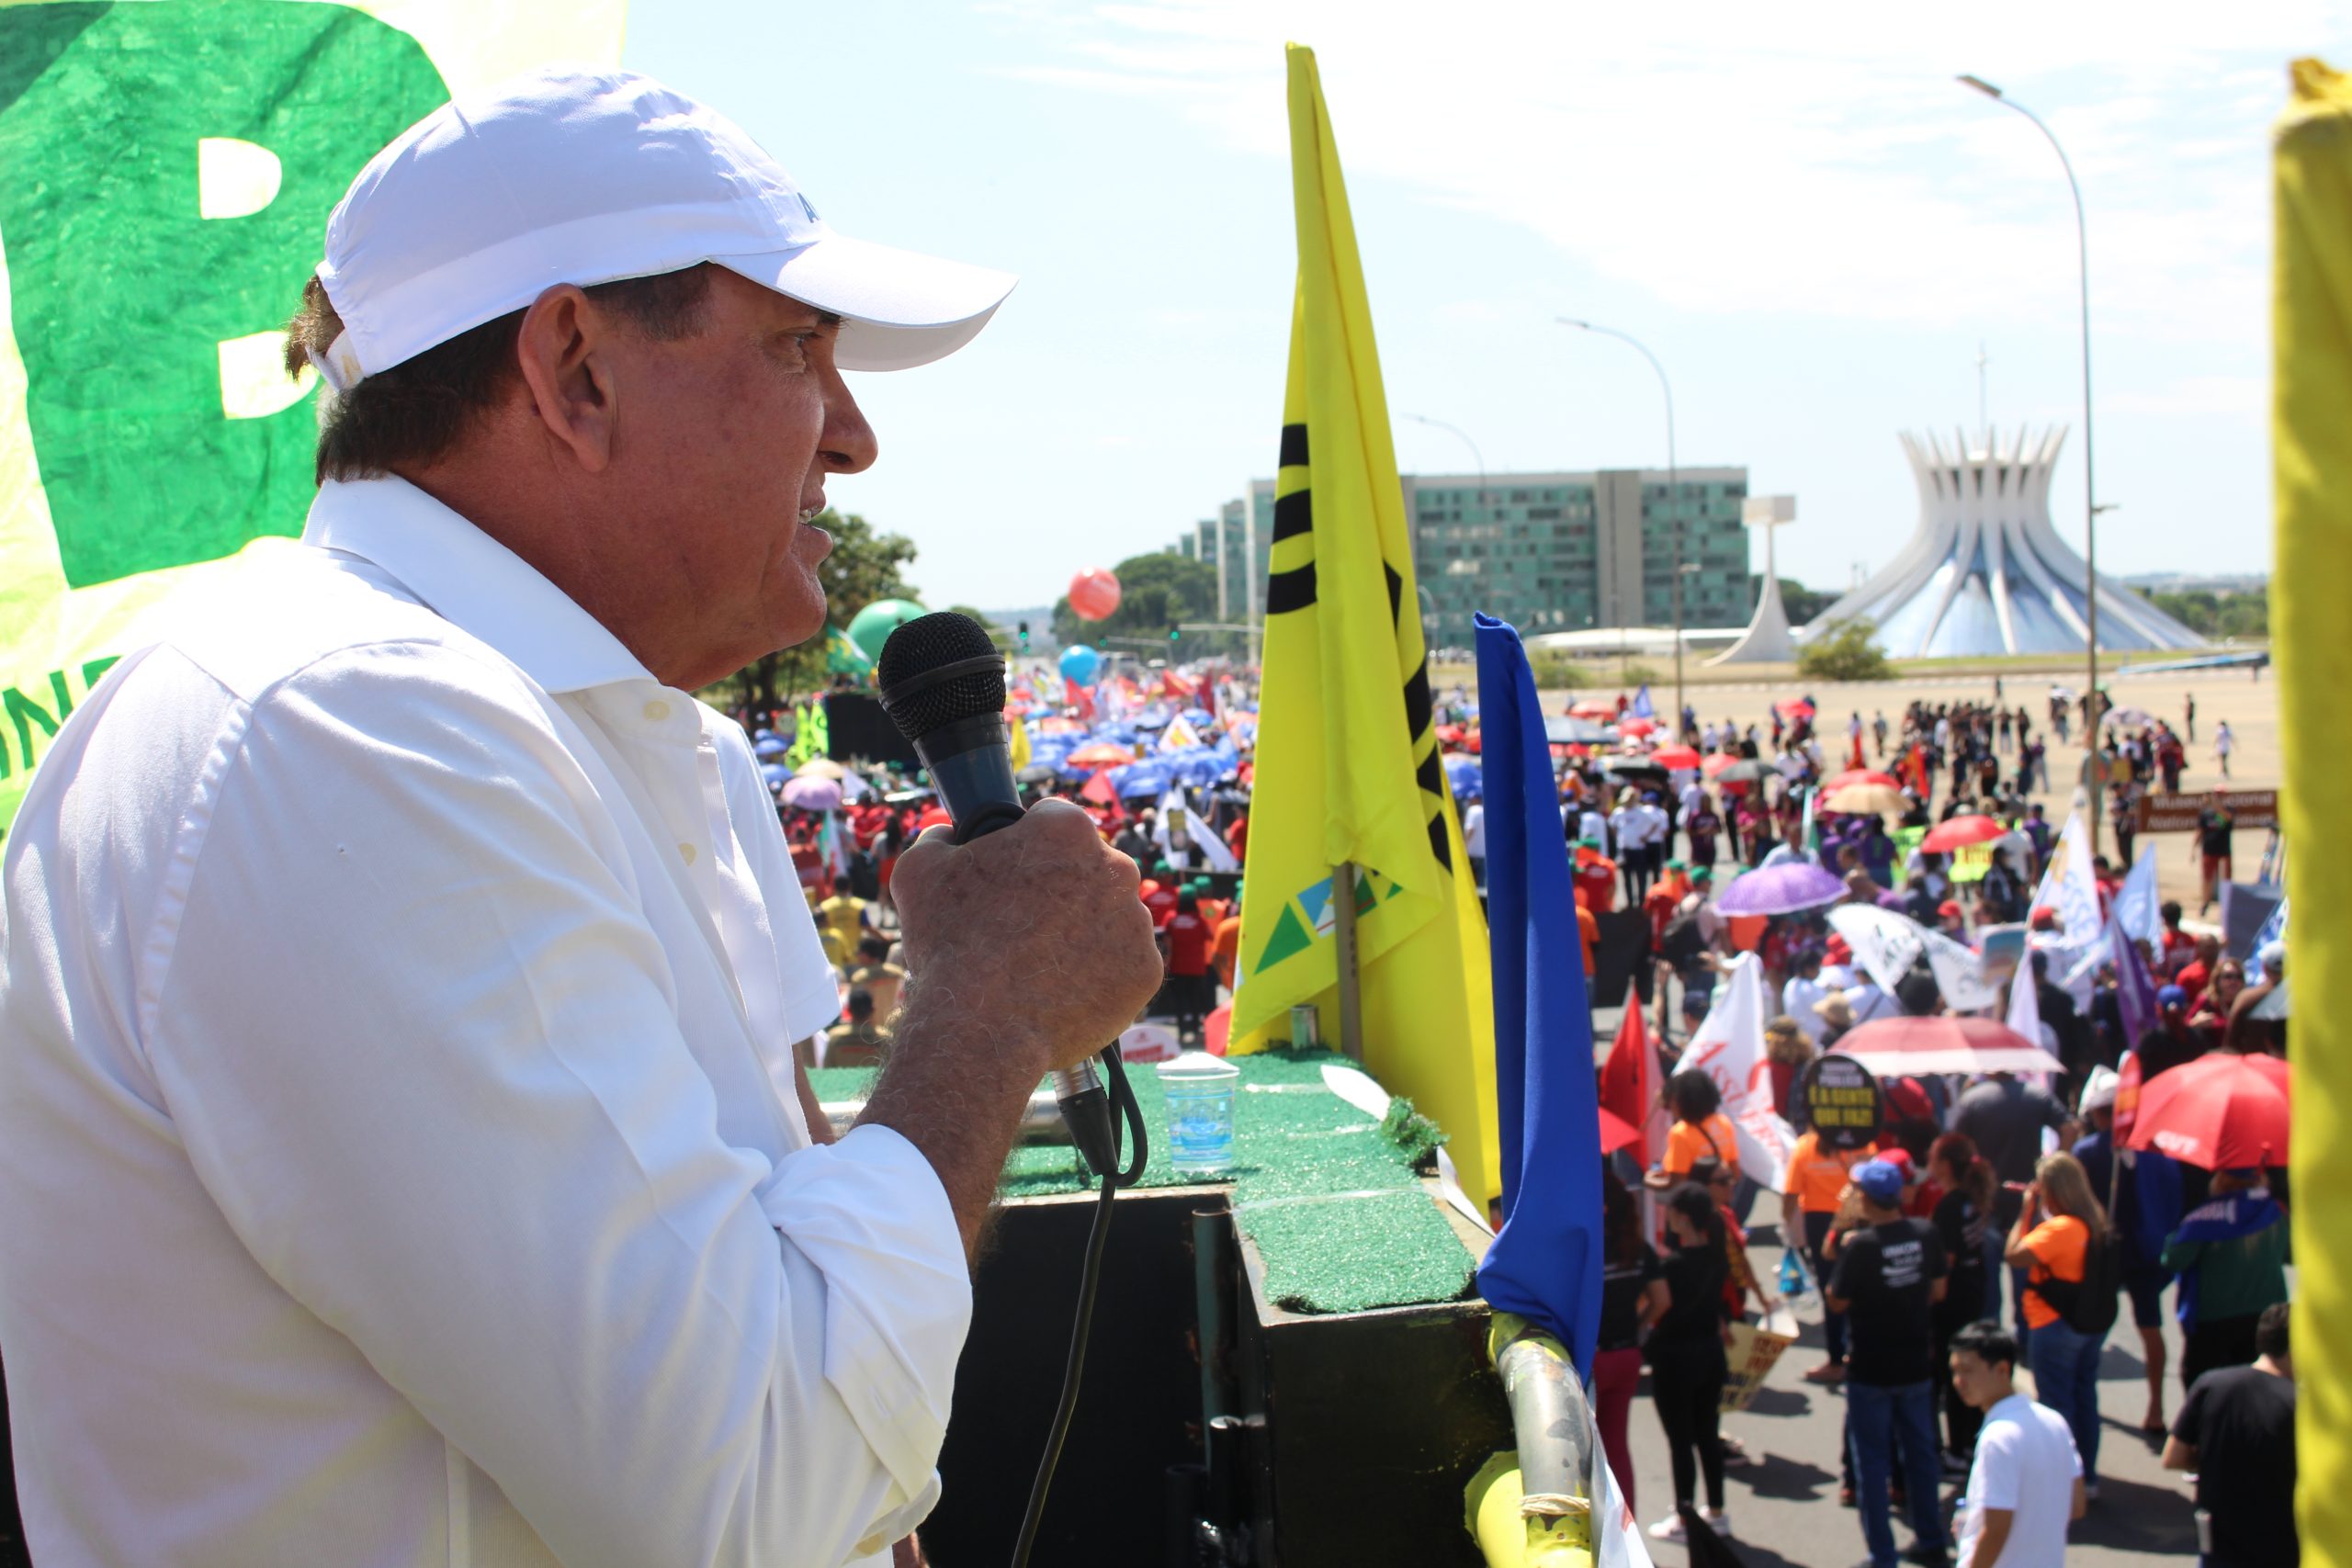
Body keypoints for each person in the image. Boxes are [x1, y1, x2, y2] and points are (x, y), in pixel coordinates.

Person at [0, 65, 1170, 1568]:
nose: (855, 433)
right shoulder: (355, 725)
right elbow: (746, 1492)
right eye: (799, 348)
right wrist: (992, 1008)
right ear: (574, 369)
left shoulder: (607, 732)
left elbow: (800, 1366)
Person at [1826, 1159, 1951, 1568]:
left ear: (1865, 1198)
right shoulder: (1925, 1233)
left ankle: (1882, 1555)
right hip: (1915, 1363)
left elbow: (1837, 1301)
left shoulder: (1862, 1246)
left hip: (1871, 1370)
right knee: (1921, 1456)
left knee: (1873, 1466)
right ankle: (1931, 1538)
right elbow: (1938, 1290)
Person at [2070, 1070, 2172, 1435]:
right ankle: (2157, 1406)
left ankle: (2084, 1396)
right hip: (2145, 1252)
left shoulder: (2087, 1152)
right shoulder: (2153, 1148)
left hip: (2104, 1255)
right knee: (2150, 1327)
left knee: (2090, 1329)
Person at [2005, 1153, 2109, 1496]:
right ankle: (2087, 1476)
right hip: (2089, 1324)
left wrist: (2025, 1210)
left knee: (2056, 1406)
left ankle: (2064, 1482)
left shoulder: (2060, 1228)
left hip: (2055, 1324)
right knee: (2084, 1398)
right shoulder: (2095, 1221)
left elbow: (2015, 1255)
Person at [2165, 1301, 2298, 1568]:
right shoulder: (2300, 1405)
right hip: (2280, 1548)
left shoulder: (2212, 1384)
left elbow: (2173, 1457)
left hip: (2218, 1545)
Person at [1949, 1320, 2086, 1568]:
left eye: (1967, 1370)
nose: (1958, 1381)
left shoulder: (1997, 1438)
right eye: (1954, 1371)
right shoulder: (2054, 1421)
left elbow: (1995, 1530)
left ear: (2002, 1369)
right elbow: (2075, 1506)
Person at [1644, 1184, 1734, 1543]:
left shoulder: (1672, 1265)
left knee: (1680, 1441)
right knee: (1708, 1435)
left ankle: (1685, 1516)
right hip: (1711, 1355)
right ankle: (1717, 1511)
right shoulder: (1717, 1257)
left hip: (1675, 1359)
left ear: (1682, 1216)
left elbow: (1658, 1306)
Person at [1955, 1074, 2073, 1335]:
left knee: (1988, 1274)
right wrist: (2051, 1172)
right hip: (2026, 1199)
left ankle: (1991, 1338)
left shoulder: (1972, 1099)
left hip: (1986, 1200)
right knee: (2025, 1272)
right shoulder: (2036, 1095)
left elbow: (1955, 1146)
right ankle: (2026, 1334)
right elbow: (2069, 1128)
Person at [2162, 1166, 2290, 1393]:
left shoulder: (2204, 1216)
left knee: (2206, 1391)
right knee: (2255, 1391)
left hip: (2213, 1320)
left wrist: (2176, 1233)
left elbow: (2174, 1259)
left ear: (2220, 1179)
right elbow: (2293, 1254)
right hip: (2263, 1317)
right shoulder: (2275, 1213)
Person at [1596, 1170, 1668, 1515]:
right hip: (1627, 1355)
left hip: (1590, 1360)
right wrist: (1637, 1328)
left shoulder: (1587, 1250)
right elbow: (1662, 1300)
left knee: (1585, 1452)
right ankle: (1628, 1529)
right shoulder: (1638, 1249)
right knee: (1617, 1446)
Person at [1782, 1125, 1875, 1382]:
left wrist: (1788, 1226)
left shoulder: (1806, 1146)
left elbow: (1791, 1193)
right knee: (1860, 1287)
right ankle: (1855, 1353)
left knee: (1832, 1289)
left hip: (1821, 1223)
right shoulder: (1864, 1142)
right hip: (1858, 1219)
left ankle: (1837, 1359)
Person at [1928, 1134, 1996, 1462]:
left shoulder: (1948, 1206)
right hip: (1973, 1294)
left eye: (1932, 1157)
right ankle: (1970, 1442)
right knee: (1971, 1369)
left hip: (1953, 1302)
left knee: (1955, 1374)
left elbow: (1946, 1262)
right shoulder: (1970, 1199)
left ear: (1944, 1165)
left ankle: (1958, 1452)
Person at [1647, 1070, 1737, 1189]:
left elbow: (1677, 1184)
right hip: (1718, 1200)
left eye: (1673, 1100)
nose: (1671, 1105)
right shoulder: (1724, 1122)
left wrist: (1648, 1180)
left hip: (1695, 1201)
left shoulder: (1680, 1133)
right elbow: (1735, 1171)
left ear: (1681, 1101)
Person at [1159, 889, 1216, 1038]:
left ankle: (1182, 1031)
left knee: (1180, 1001)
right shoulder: (1200, 920)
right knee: (1196, 1000)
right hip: (1197, 968)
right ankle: (1197, 1030)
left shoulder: (1171, 918)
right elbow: (1210, 936)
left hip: (1178, 967)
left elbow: (1166, 942)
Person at [846, 933, 909, 1024]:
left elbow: (855, 1007)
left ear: (865, 955)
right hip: (896, 1026)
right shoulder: (898, 973)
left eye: (858, 953)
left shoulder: (859, 978)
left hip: (871, 1032)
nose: (857, 957)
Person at [824, 987, 892, 1069]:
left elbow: (827, 1069)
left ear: (849, 1010)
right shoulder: (885, 1037)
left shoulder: (835, 1036)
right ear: (872, 1010)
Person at [815, 872, 870, 968]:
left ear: (834, 887)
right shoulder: (859, 905)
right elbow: (867, 927)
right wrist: (884, 938)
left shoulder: (825, 906)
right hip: (855, 956)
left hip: (833, 956)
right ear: (850, 886)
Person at [2196, 790, 2234, 916]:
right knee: (2207, 878)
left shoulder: (2229, 810)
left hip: (2223, 851)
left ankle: (2226, 904)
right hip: (2209, 849)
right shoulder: (2205, 814)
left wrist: (2218, 807)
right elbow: (2200, 831)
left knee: (2225, 879)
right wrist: (2193, 849)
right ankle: (2205, 903)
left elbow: (2229, 818)